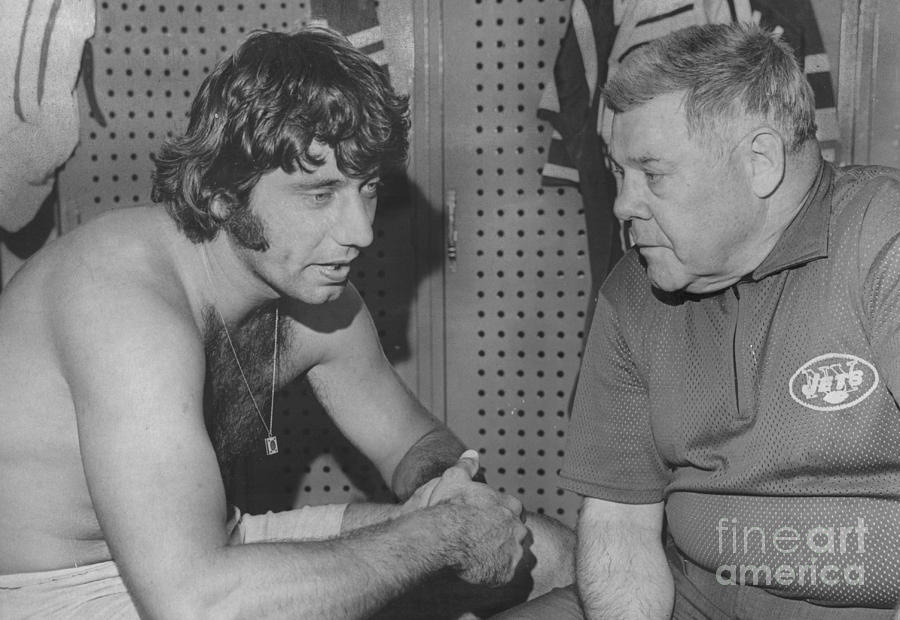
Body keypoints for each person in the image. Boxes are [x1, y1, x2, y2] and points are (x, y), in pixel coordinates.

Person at [0, 27, 574, 618]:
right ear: (223, 194)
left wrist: (448, 492)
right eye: (320, 194)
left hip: (214, 555)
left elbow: (414, 443)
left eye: (368, 188)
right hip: (62, 594)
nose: (361, 231)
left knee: (552, 554)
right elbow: (192, 606)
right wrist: (439, 535)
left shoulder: (313, 296)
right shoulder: (123, 301)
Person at [495, 21, 900, 620]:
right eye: (619, 172)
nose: (624, 204)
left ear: (759, 161)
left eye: (653, 174)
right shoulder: (634, 290)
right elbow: (622, 529)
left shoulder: (882, 239)